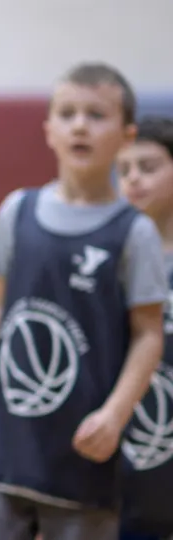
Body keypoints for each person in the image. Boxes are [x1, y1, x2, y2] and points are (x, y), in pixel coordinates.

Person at [0, 65, 167, 540]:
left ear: (126, 136)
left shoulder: (134, 232)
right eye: (67, 114)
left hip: (85, 456)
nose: (80, 126)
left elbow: (148, 334)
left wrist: (115, 414)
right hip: (6, 451)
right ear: (48, 130)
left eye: (96, 115)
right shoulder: (17, 210)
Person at [118, 115, 173, 540]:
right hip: (124, 446)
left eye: (148, 167)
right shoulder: (105, 255)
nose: (134, 179)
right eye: (124, 170)